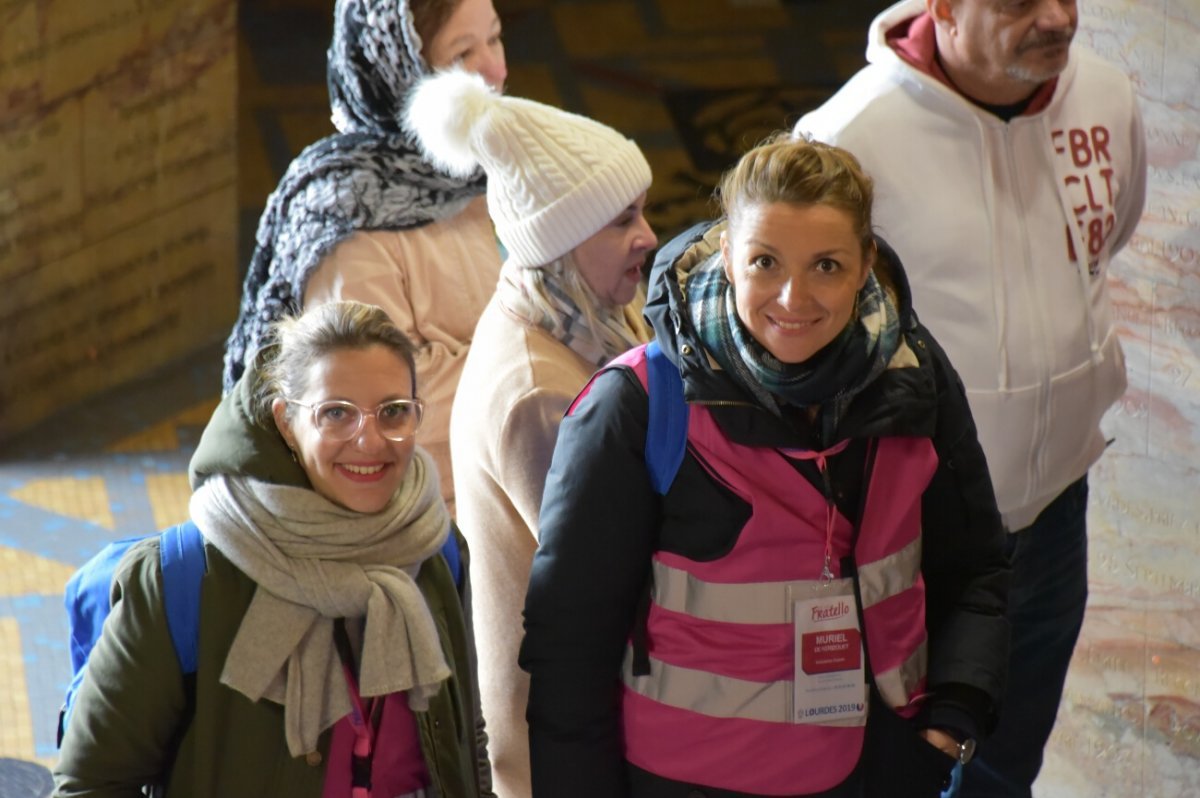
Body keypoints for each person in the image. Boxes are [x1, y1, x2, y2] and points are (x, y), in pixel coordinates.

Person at [519, 135, 1010, 797]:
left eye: (827, 266)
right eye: (765, 262)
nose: (793, 298)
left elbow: (976, 569)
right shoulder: (637, 405)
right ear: (727, 254)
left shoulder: (914, 379)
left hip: (875, 771)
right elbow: (567, 652)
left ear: (867, 263)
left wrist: (953, 717)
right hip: (685, 782)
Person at [793, 2, 1147, 794]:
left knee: (1005, 759)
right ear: (944, 8)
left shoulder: (1108, 98)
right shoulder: (853, 137)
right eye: (1019, 2)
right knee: (893, 762)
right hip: (915, 528)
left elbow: (1107, 240)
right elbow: (795, 340)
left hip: (1055, 508)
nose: (1056, 17)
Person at [55, 301, 490, 797]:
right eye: (336, 414)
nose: (370, 441)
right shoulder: (182, 581)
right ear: (285, 422)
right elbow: (90, 786)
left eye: (393, 412)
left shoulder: (435, 550)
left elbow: (464, 743)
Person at [404, 67, 657, 798]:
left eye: (641, 211)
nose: (648, 237)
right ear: (563, 241)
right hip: (563, 743)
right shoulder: (539, 393)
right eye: (621, 222)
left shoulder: (583, 316)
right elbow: (615, 576)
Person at [223, 0, 509, 516]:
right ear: (400, 73)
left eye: (495, 38)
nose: (496, 69)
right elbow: (378, 414)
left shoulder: (492, 168)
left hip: (502, 486)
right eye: (464, 53)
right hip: (415, 524)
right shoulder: (351, 221)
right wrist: (547, 351)